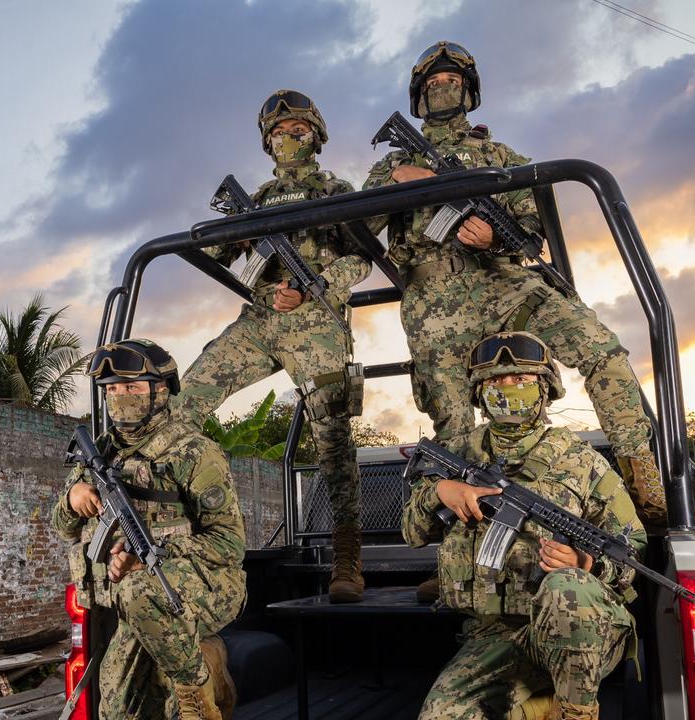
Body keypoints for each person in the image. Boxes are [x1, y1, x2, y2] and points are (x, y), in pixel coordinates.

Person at [363, 41, 666, 531]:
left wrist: (490, 239)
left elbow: (534, 226)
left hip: (506, 281)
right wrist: (408, 179)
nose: (444, 89)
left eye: (453, 82)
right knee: (456, 424)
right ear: (420, 96)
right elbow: (363, 217)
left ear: (470, 91)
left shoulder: (499, 155)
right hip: (435, 298)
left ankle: (647, 495)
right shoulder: (392, 161)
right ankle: (460, 548)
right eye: (435, 83)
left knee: (603, 351)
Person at [173, 89, 371, 602]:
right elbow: (216, 253)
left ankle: (347, 553)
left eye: (297, 130)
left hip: (316, 321)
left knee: (332, 431)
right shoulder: (257, 199)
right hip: (260, 318)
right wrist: (229, 232)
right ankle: (179, 524)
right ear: (267, 142)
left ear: (316, 134)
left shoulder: (336, 189)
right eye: (279, 133)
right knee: (186, 400)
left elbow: (363, 257)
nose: (288, 138)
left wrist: (314, 286)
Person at [402, 331, 646, 720]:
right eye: (496, 380)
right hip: (494, 634)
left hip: (583, 635)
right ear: (479, 392)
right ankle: (534, 707)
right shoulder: (458, 453)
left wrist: (588, 564)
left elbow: (632, 548)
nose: (508, 388)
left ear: (545, 389)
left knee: (569, 587)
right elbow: (413, 533)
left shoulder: (582, 464)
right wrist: (441, 492)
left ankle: (575, 712)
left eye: (521, 380)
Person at [51, 339, 245, 720]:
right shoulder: (99, 451)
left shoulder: (193, 452)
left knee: (141, 587)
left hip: (208, 585)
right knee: (118, 707)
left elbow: (230, 544)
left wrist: (153, 557)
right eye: (113, 389)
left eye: (132, 387)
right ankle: (199, 658)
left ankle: (198, 691)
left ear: (161, 391)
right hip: (134, 603)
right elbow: (63, 528)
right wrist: (72, 499)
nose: (121, 396)